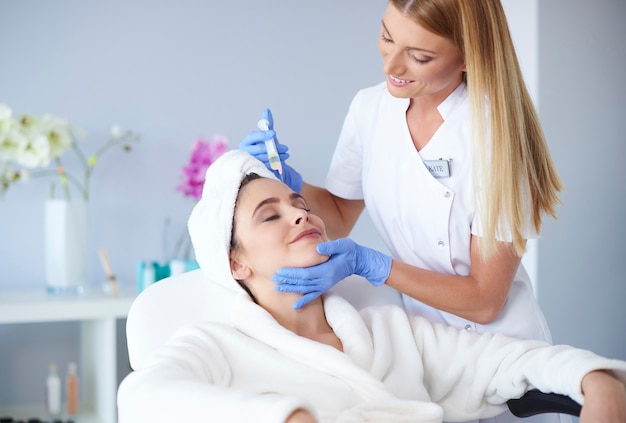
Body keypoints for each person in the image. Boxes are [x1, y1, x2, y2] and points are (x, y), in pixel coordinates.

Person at [116, 151, 626, 423]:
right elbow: (143, 397)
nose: (299, 211)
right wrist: (282, 417)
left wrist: (595, 380)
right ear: (235, 262)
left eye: (299, 202)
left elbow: (500, 360)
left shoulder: (386, 329)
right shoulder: (217, 346)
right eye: (270, 215)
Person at [241, 0, 559, 375]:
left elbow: (485, 301)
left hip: (503, 356)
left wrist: (372, 265)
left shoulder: (494, 137)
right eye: (387, 38)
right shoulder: (370, 109)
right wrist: (290, 179)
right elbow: (339, 215)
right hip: (424, 350)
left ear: (468, 58)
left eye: (419, 56)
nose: (390, 66)